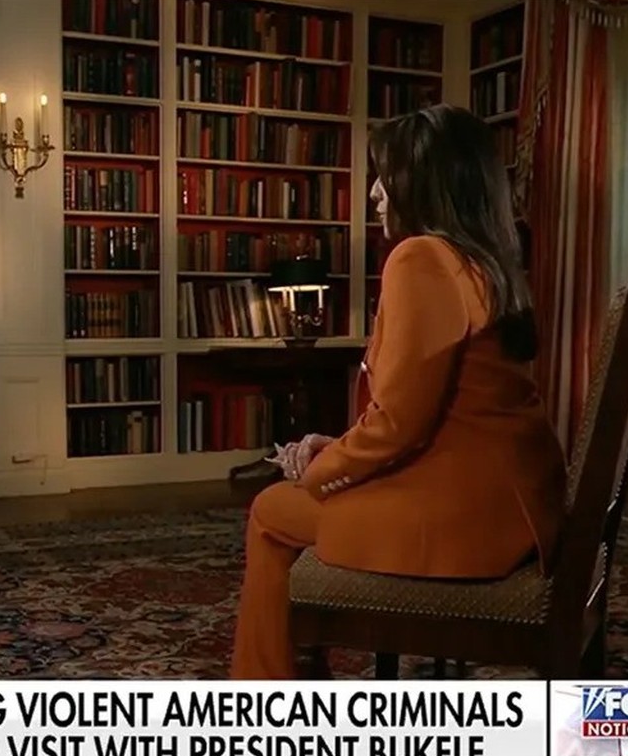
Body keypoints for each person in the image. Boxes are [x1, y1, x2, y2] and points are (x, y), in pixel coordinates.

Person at [231, 104, 568, 679]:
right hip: (515, 506)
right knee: (306, 493)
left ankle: (262, 697)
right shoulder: (486, 261)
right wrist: (337, 450)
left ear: (427, 182)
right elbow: (432, 413)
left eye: (386, 177)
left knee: (271, 509)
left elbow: (399, 425)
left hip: (464, 519)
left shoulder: (422, 258)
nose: (374, 194)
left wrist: (319, 471)